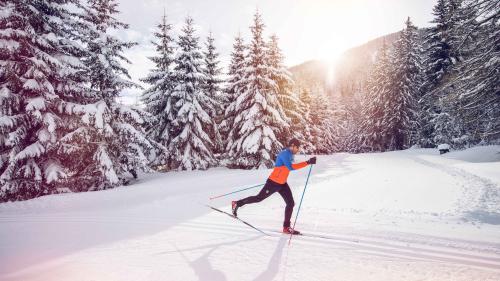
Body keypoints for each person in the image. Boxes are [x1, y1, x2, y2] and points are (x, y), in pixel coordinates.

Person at [232, 138, 316, 235]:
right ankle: (237, 203)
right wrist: (307, 162)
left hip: (282, 184)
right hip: (273, 183)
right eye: (297, 147)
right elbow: (290, 167)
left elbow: (286, 168)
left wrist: (309, 162)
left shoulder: (290, 155)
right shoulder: (284, 154)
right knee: (258, 198)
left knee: (291, 203)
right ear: (293, 146)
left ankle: (286, 227)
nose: (298, 150)